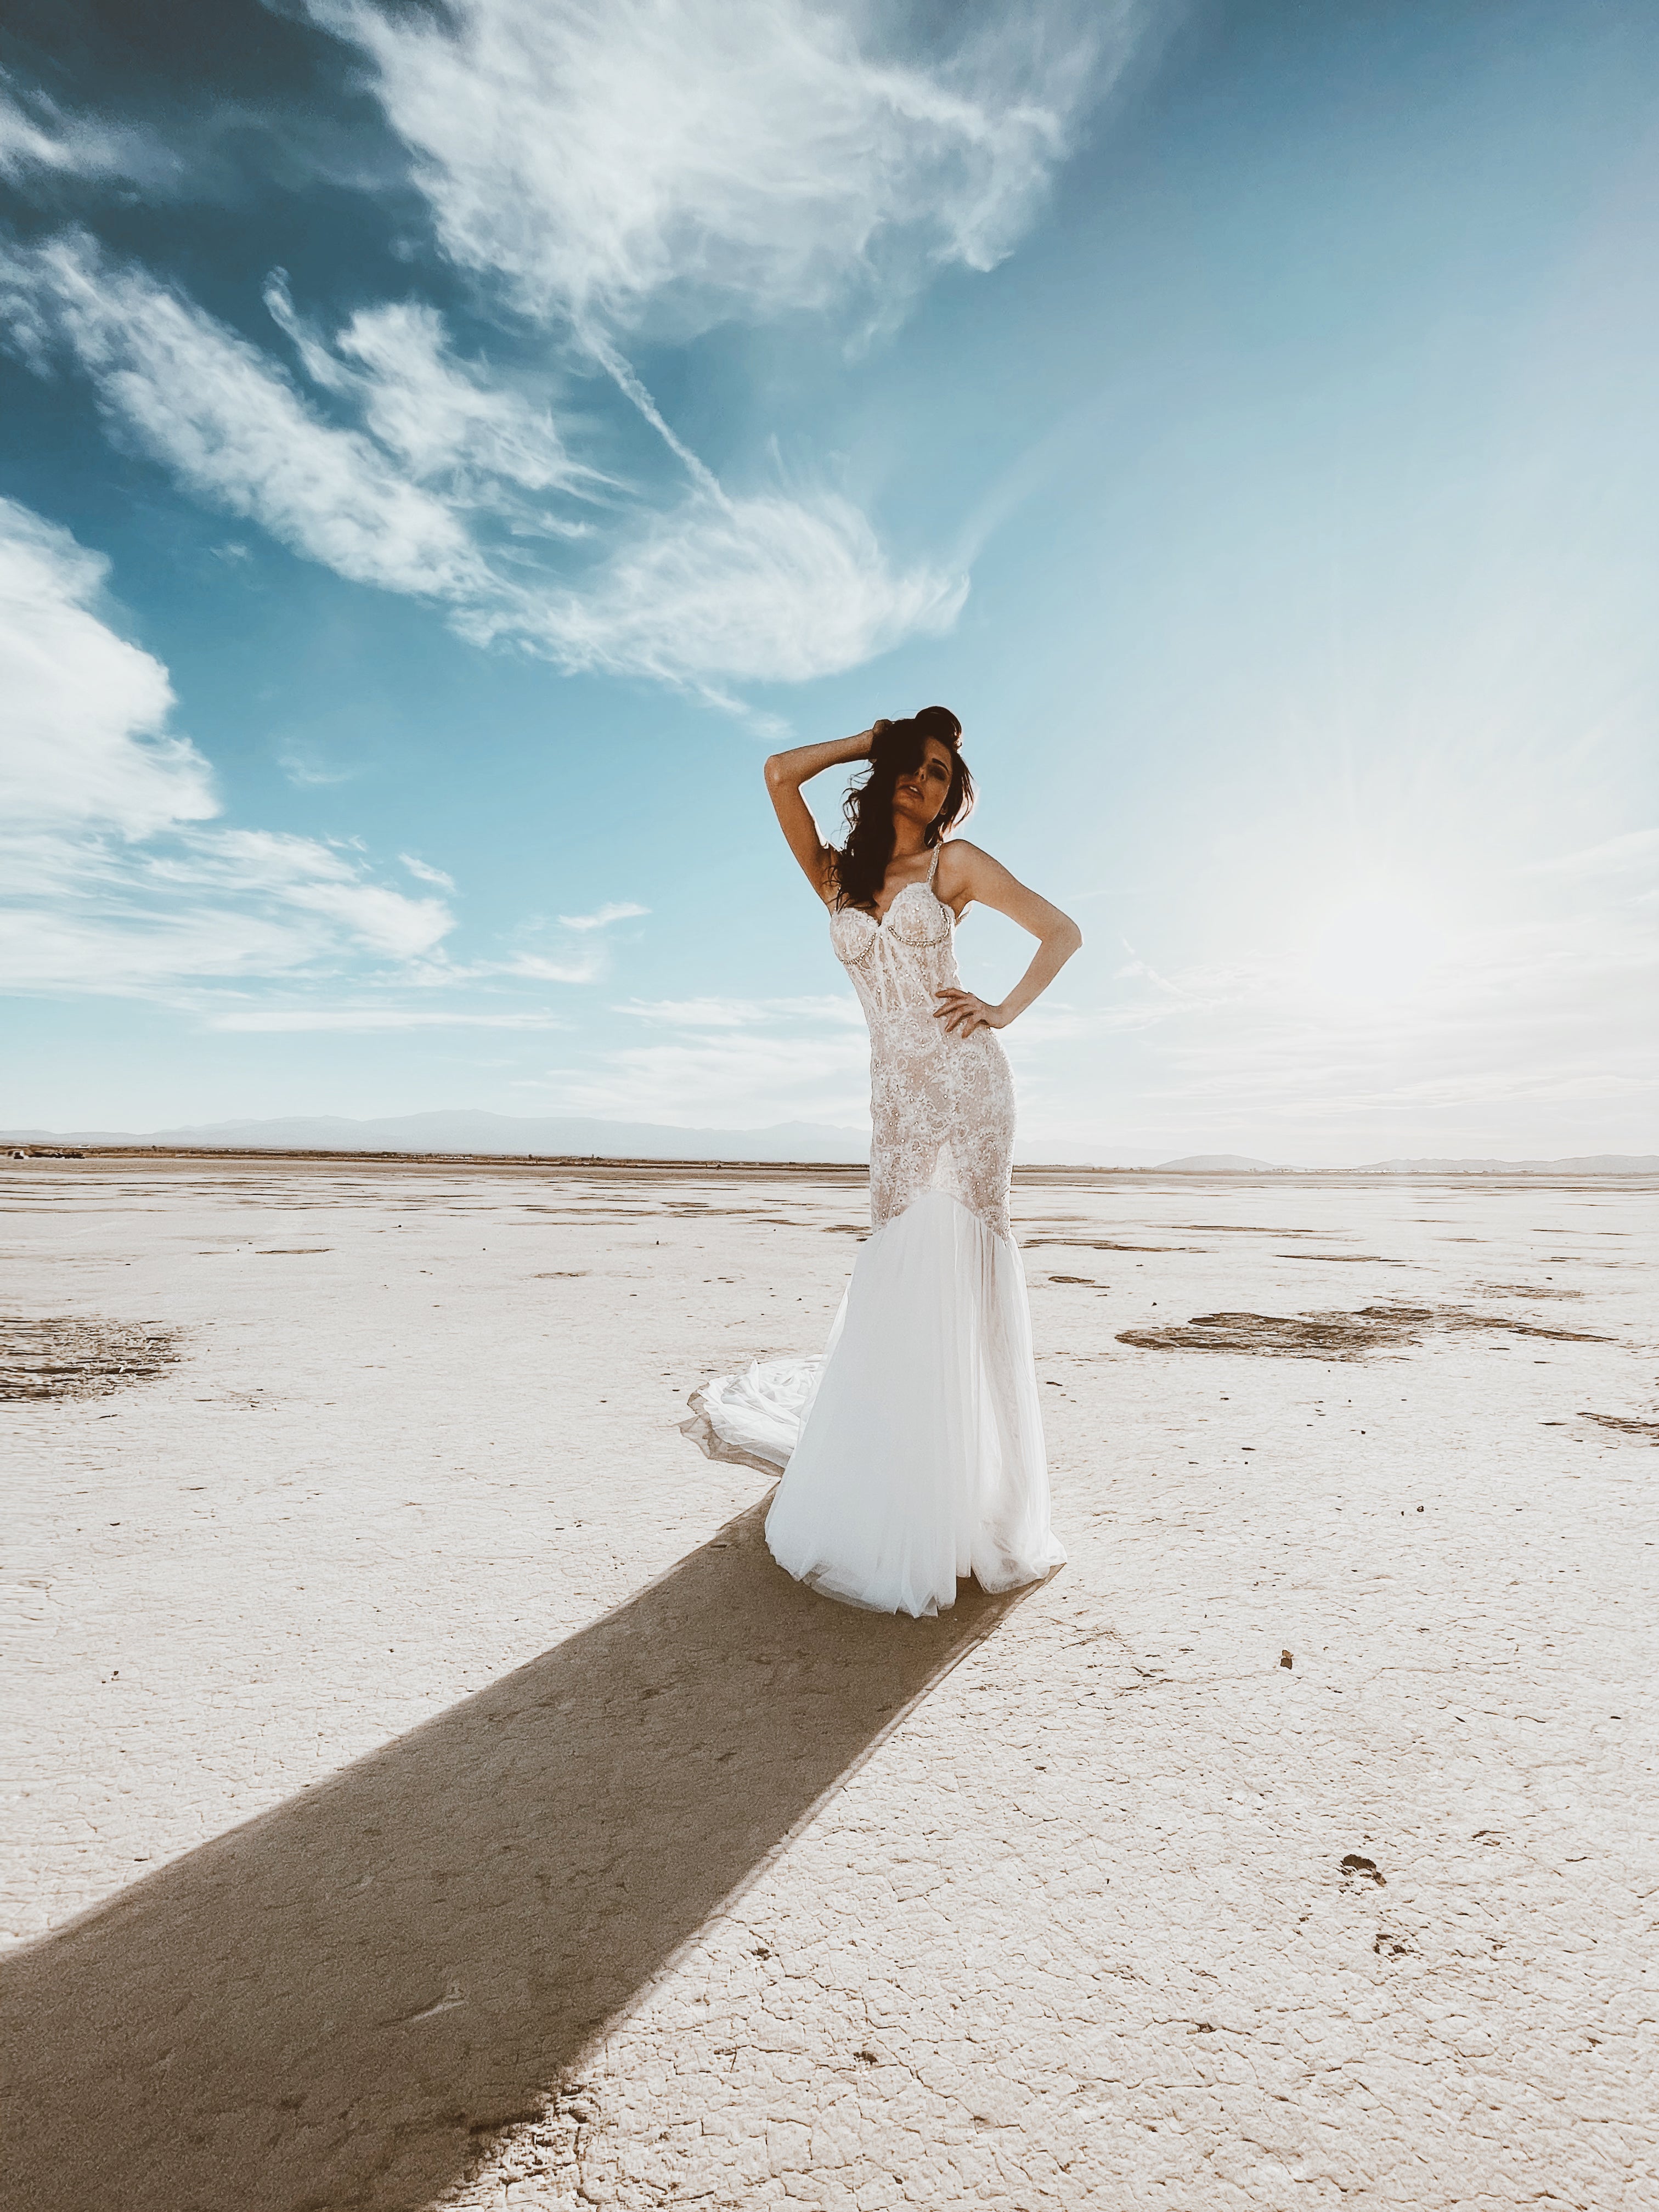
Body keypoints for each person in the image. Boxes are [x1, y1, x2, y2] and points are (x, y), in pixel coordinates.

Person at [698, 707, 1081, 1617]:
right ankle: (901, 1488)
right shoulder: (836, 875)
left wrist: (1003, 1009)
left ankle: (975, 1507)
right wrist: (870, 741)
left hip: (967, 1091)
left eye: (941, 772)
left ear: (954, 794)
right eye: (914, 765)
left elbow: (1061, 931)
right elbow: (779, 773)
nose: (924, 780)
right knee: (900, 1279)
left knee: (963, 1278)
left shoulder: (955, 866)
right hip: (896, 1106)